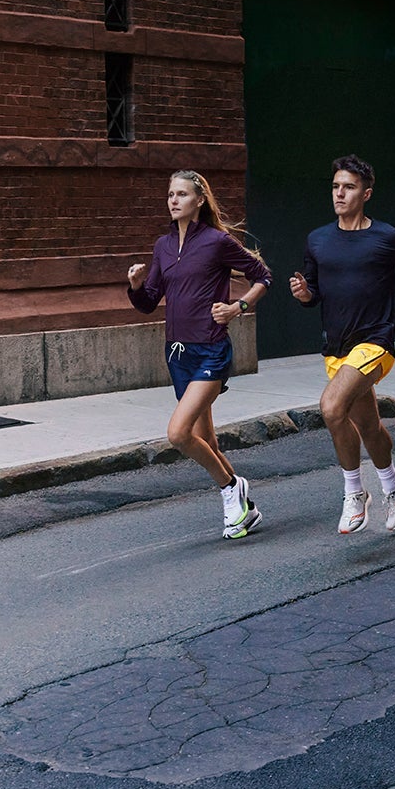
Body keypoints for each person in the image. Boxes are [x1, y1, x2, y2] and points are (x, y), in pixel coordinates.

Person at [287, 155, 395, 534]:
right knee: (370, 429)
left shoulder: (386, 237)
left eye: (349, 187)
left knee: (330, 406)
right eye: (336, 186)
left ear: (366, 193)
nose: (339, 193)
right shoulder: (318, 239)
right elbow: (315, 295)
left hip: (375, 343)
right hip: (337, 348)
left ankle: (355, 493)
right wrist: (305, 293)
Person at [128, 170, 274, 540]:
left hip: (211, 349)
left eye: (181, 194)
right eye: (170, 194)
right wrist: (135, 286)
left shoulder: (216, 241)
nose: (173, 200)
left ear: (199, 201)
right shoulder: (163, 246)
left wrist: (236, 307)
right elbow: (148, 303)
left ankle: (231, 489)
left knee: (178, 434)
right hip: (178, 353)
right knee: (205, 439)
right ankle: (246, 510)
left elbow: (263, 276)